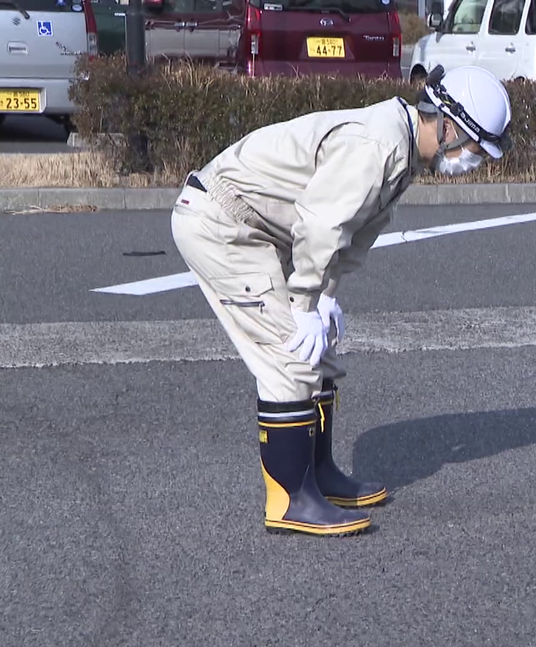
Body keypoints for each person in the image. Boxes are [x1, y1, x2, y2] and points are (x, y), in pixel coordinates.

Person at [170, 65, 513, 537]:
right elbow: (322, 222)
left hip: (254, 228)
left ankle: (319, 475)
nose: (472, 161)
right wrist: (306, 300)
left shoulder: (404, 150)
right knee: (290, 356)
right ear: (449, 125)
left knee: (319, 350)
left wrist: (326, 299)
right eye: (475, 149)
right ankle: (290, 500)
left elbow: (352, 234)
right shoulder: (381, 145)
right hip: (222, 224)